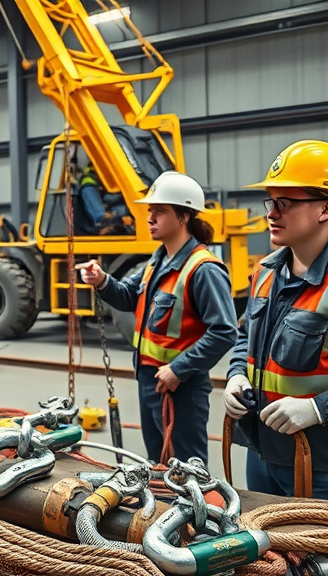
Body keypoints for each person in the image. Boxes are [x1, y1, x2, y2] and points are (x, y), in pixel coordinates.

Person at [78, 171, 238, 464]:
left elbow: (225, 331)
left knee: (185, 468)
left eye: (159, 211)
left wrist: (179, 369)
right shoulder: (158, 259)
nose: (150, 217)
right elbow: (128, 296)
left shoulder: (203, 270)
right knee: (158, 463)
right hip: (149, 380)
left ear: (183, 217)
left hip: (180, 387)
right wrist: (102, 280)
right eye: (150, 210)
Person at [224, 140, 328, 503]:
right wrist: (236, 375)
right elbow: (245, 337)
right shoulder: (264, 273)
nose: (272, 213)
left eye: (285, 202)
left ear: (326, 208)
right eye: (271, 202)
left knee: (327, 560)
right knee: (268, 558)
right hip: (262, 454)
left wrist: (317, 409)